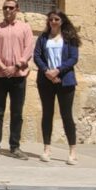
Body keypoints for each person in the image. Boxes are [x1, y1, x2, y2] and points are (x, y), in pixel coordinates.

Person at [0, 0, 35, 159]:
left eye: (11, 7)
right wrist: (2, 66)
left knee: (17, 113)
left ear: (17, 9)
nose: (7, 10)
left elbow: (28, 49)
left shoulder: (25, 28)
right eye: (5, 7)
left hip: (18, 77)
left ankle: (15, 147)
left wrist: (15, 66)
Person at [34, 10, 81, 164]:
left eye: (56, 19)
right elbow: (37, 56)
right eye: (51, 19)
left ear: (62, 21)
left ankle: (72, 150)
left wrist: (58, 71)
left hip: (65, 81)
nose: (53, 22)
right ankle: (47, 149)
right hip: (46, 81)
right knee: (47, 114)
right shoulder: (43, 38)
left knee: (66, 115)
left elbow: (73, 58)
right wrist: (47, 71)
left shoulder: (69, 38)